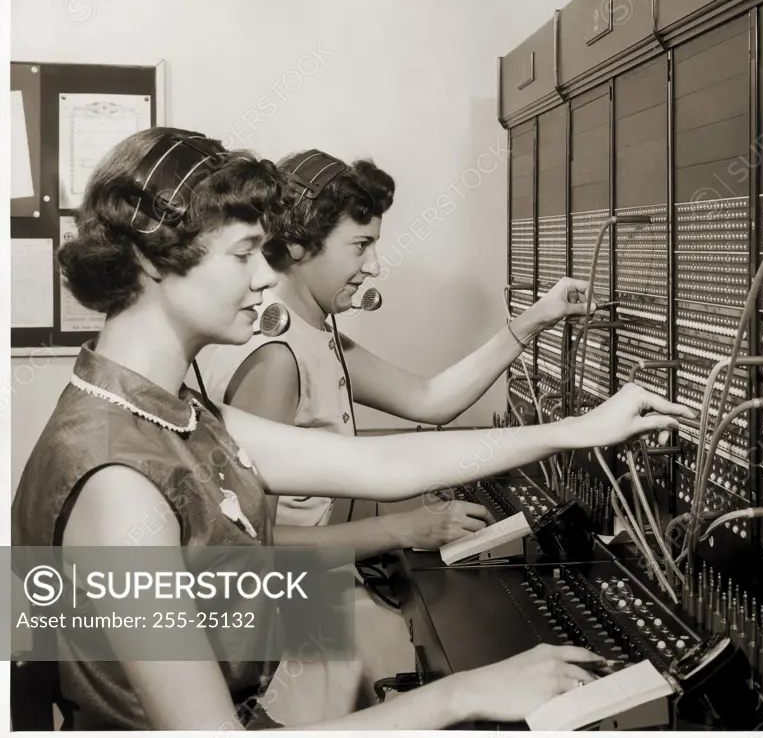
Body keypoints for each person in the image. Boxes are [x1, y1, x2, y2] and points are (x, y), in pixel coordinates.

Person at [11, 126, 694, 731]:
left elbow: (386, 467)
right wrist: (460, 695)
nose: (262, 277)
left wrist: (573, 431)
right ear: (155, 260)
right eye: (244, 252)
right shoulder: (117, 483)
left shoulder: (161, 411)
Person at [192, 149, 595, 717]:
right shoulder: (277, 357)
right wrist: (408, 526)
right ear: (301, 246)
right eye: (360, 246)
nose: (374, 265)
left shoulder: (312, 331)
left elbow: (430, 401)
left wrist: (532, 321)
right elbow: (258, 548)